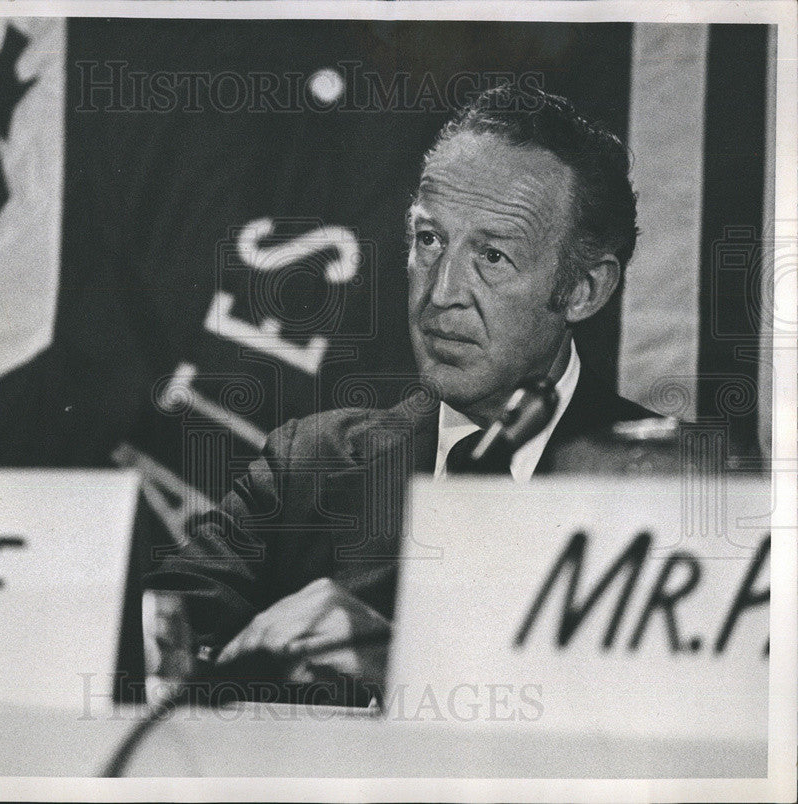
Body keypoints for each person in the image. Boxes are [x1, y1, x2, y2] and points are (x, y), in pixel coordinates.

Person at [144, 83, 656, 704]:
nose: (440, 293)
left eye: (492, 256)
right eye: (430, 240)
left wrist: (416, 669)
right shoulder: (310, 462)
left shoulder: (660, 491)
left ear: (583, 291)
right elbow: (153, 627)